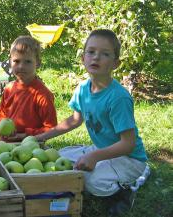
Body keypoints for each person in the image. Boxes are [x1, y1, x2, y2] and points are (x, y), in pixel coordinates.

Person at [37, 29, 149, 216]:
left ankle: (128, 188)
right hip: (102, 149)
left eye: (105, 54)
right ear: (83, 58)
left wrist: (95, 157)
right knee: (58, 157)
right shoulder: (83, 89)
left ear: (115, 63)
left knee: (92, 182)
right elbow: (74, 120)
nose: (96, 57)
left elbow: (128, 144)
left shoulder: (118, 98)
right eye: (91, 52)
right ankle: (91, 156)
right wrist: (42, 136)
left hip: (129, 159)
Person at [0, 36, 57, 142]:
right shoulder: (8, 89)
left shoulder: (42, 95)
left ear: (37, 63)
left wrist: (26, 135)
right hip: (5, 145)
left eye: (28, 62)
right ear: (10, 62)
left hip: (31, 148)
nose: (21, 66)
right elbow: (2, 115)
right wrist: (2, 126)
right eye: (16, 61)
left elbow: (51, 128)